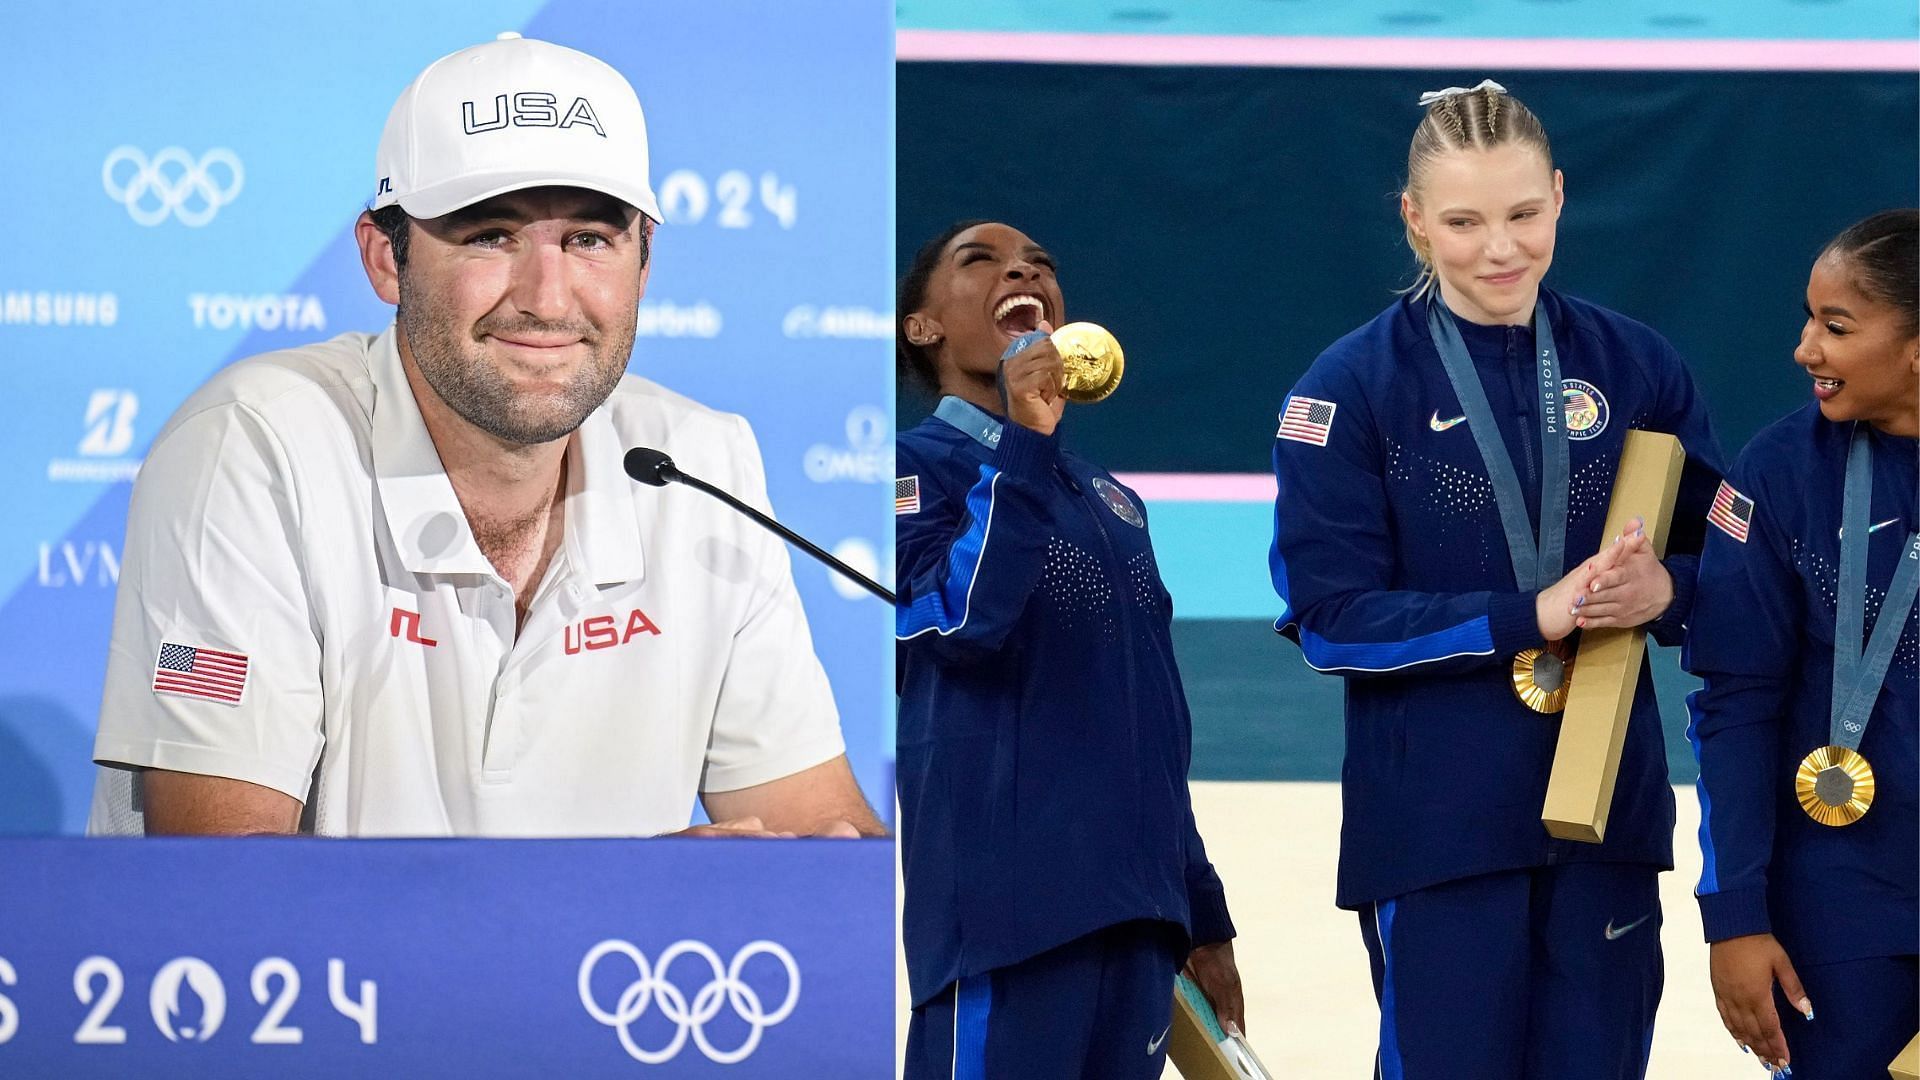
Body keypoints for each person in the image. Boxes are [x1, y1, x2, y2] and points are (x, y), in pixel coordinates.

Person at [85, 33, 881, 839]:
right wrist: (639, 899)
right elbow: (226, 890)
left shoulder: (703, 462)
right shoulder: (253, 446)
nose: (547, 297)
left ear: (644, 264)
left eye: (590, 240)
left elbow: (827, 842)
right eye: (490, 236)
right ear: (385, 260)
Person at [1268, 81, 1726, 1079]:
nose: (1500, 248)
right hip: (1439, 827)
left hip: (1606, 809)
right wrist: (1534, 613)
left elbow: (1733, 567)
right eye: (1465, 222)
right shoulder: (1347, 389)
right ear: (1414, 220)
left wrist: (1672, 596)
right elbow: (1331, 621)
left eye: (1523, 214)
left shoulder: (1639, 364)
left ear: (1559, 197)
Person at [894, 220, 1242, 1078]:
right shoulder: (908, 471)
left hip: (1137, 921)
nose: (1022, 269)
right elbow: (959, 622)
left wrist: (1202, 911)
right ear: (923, 326)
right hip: (1008, 920)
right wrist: (1024, 443)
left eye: (1041, 265)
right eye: (980, 261)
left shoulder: (1111, 500)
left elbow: (1154, 723)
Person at [1686, 209, 1918, 1079]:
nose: (1804, 349)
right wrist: (1736, 915)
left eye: (1838, 326)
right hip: (1839, 905)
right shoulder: (1779, 472)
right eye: (1810, 318)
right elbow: (1735, 705)